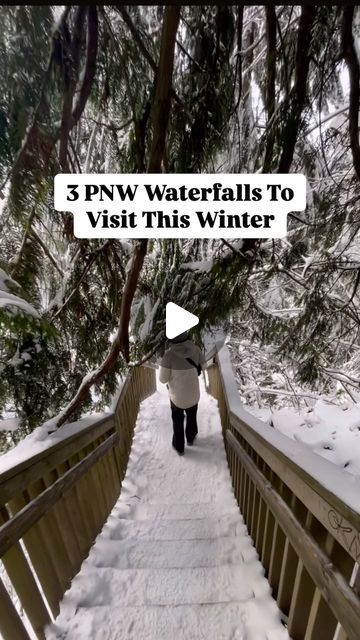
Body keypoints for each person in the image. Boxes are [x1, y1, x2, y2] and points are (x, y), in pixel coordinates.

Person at [159, 331, 206, 456]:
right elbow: (204, 366)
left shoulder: (168, 356)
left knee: (177, 421)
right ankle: (191, 438)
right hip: (193, 394)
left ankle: (179, 447)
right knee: (191, 417)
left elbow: (163, 379)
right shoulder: (196, 349)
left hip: (177, 398)